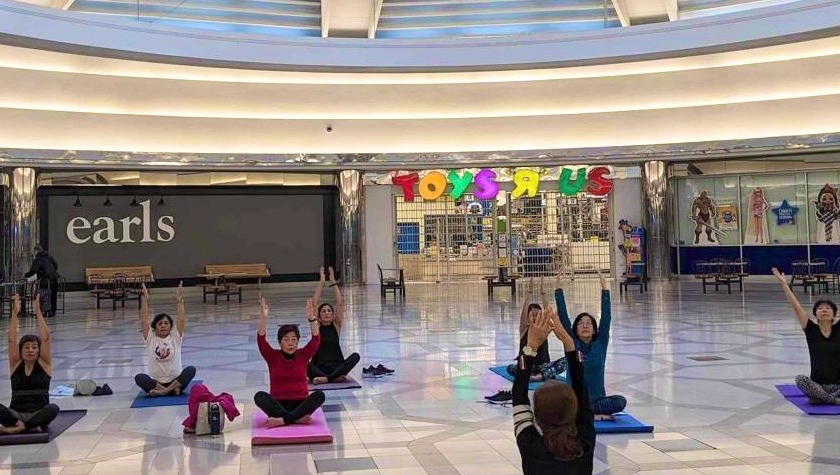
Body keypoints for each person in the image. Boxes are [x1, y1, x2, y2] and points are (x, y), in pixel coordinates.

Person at [513, 306, 595, 475]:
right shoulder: (584, 442)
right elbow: (582, 389)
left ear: (537, 416)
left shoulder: (530, 444)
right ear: (574, 410)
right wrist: (567, 340)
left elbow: (518, 396)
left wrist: (530, 346)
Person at [555, 270, 627, 417]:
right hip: (575, 400)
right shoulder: (571, 343)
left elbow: (606, 318)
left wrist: (604, 289)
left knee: (620, 401)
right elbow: (563, 317)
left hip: (597, 401)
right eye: (581, 323)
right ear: (575, 329)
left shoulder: (600, 344)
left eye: (588, 323)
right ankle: (584, 411)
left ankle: (585, 411)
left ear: (594, 330)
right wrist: (558, 289)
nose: (585, 326)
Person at [773, 267, 840, 404]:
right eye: (820, 308)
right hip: (817, 385)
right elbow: (796, 307)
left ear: (834, 315)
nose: (824, 310)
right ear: (815, 315)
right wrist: (784, 284)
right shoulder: (811, 329)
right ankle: (831, 400)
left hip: (838, 386)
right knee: (800, 379)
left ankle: (820, 398)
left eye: (828, 308)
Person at [254, 298, 325, 427]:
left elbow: (316, 339)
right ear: (279, 342)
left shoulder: (303, 355)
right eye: (286, 339)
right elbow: (261, 339)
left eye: (294, 339)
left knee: (319, 395)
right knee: (259, 396)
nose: (290, 343)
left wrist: (312, 319)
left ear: (298, 341)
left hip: (300, 403)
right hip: (278, 404)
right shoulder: (272, 356)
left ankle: (284, 420)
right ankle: (296, 418)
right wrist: (263, 318)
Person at [1, 295, 59, 434]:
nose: (30, 350)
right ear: (20, 351)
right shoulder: (16, 364)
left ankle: (20, 427)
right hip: (16, 414)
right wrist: (15, 313)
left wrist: (38, 312)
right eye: (26, 347)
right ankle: (23, 425)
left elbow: (46, 338)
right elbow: (11, 340)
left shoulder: (44, 364)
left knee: (53, 408)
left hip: (38, 413)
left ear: (39, 350)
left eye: (34, 347)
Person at [134, 282, 196, 397]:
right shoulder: (150, 339)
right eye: (160, 323)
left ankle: (163, 392)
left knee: (191, 370)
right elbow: (144, 321)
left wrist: (180, 301)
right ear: (155, 327)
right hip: (156, 383)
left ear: (170, 326)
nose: (163, 325)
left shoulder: (175, 337)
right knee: (139, 378)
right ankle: (169, 390)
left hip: (176, 381)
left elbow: (181, 320)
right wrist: (144, 300)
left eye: (166, 323)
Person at [308, 267, 360, 385]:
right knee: (303, 362)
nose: (327, 313)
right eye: (323, 311)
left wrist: (333, 281)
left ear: (333, 315)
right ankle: (332, 378)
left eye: (329, 311)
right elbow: (314, 303)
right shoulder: (316, 327)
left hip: (336, 367)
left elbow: (339, 303)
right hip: (319, 367)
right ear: (319, 316)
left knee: (355, 356)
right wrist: (322, 282)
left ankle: (326, 379)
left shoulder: (337, 325)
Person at [24, 246, 59, 318]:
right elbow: (56, 266)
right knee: (53, 296)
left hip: (45, 280)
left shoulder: (38, 259)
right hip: (54, 278)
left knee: (44, 295)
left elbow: (33, 270)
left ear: (36, 251)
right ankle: (52, 311)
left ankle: (45, 311)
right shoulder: (49, 256)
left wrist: (26, 275)